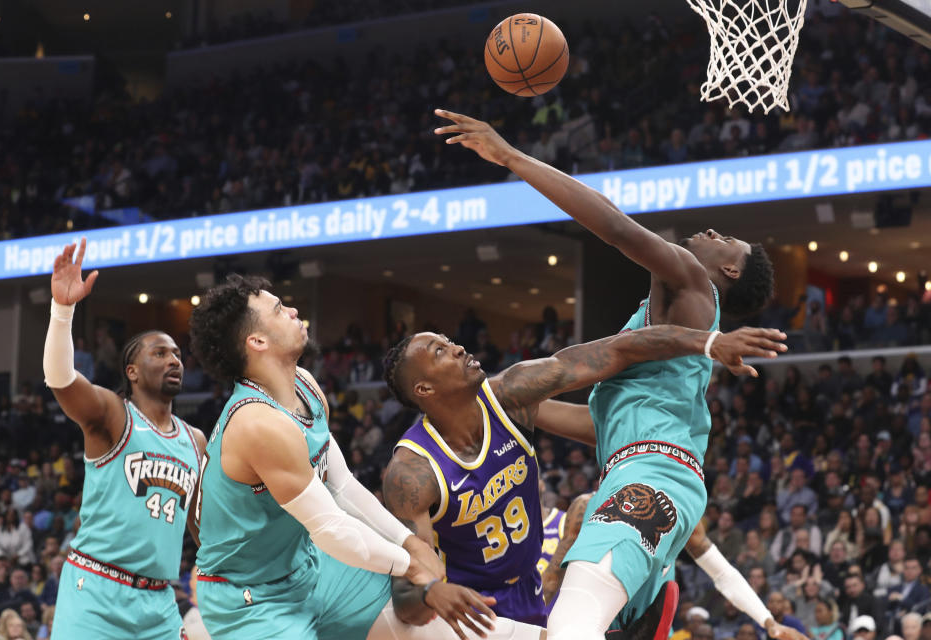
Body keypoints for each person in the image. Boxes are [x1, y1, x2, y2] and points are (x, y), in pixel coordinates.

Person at [435, 108, 774, 640]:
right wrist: (486, 397)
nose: (712, 231)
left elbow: (614, 227)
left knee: (568, 624)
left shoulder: (694, 283)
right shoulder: (665, 354)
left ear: (728, 271)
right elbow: (599, 422)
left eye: (726, 239)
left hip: (653, 478)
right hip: (640, 470)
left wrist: (510, 157)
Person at [188, 275, 542, 640]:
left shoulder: (305, 384)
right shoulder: (257, 424)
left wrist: (410, 544)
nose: (293, 310)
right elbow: (331, 528)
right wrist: (412, 566)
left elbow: (342, 487)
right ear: (257, 341)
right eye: (279, 309)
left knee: (443, 632)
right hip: (253, 600)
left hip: (310, 566)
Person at [381, 322, 785, 627]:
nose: (458, 348)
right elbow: (405, 598)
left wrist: (709, 343)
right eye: (440, 352)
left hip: (532, 584)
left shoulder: (511, 394)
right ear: (425, 390)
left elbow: (618, 351)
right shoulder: (413, 472)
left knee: (587, 507)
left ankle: (629, 613)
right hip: (471, 610)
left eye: (450, 342)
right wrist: (435, 594)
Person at [42, 238, 206, 639]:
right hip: (96, 592)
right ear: (132, 372)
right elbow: (60, 379)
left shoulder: (196, 439)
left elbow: (205, 529)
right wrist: (63, 312)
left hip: (158, 603)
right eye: (160, 353)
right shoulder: (113, 415)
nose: (174, 359)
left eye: (178, 354)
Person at [540, 487, 808, 640]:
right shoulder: (587, 506)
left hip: (649, 626)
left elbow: (722, 572)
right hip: (597, 622)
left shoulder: (675, 511)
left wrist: (768, 621)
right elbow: (552, 579)